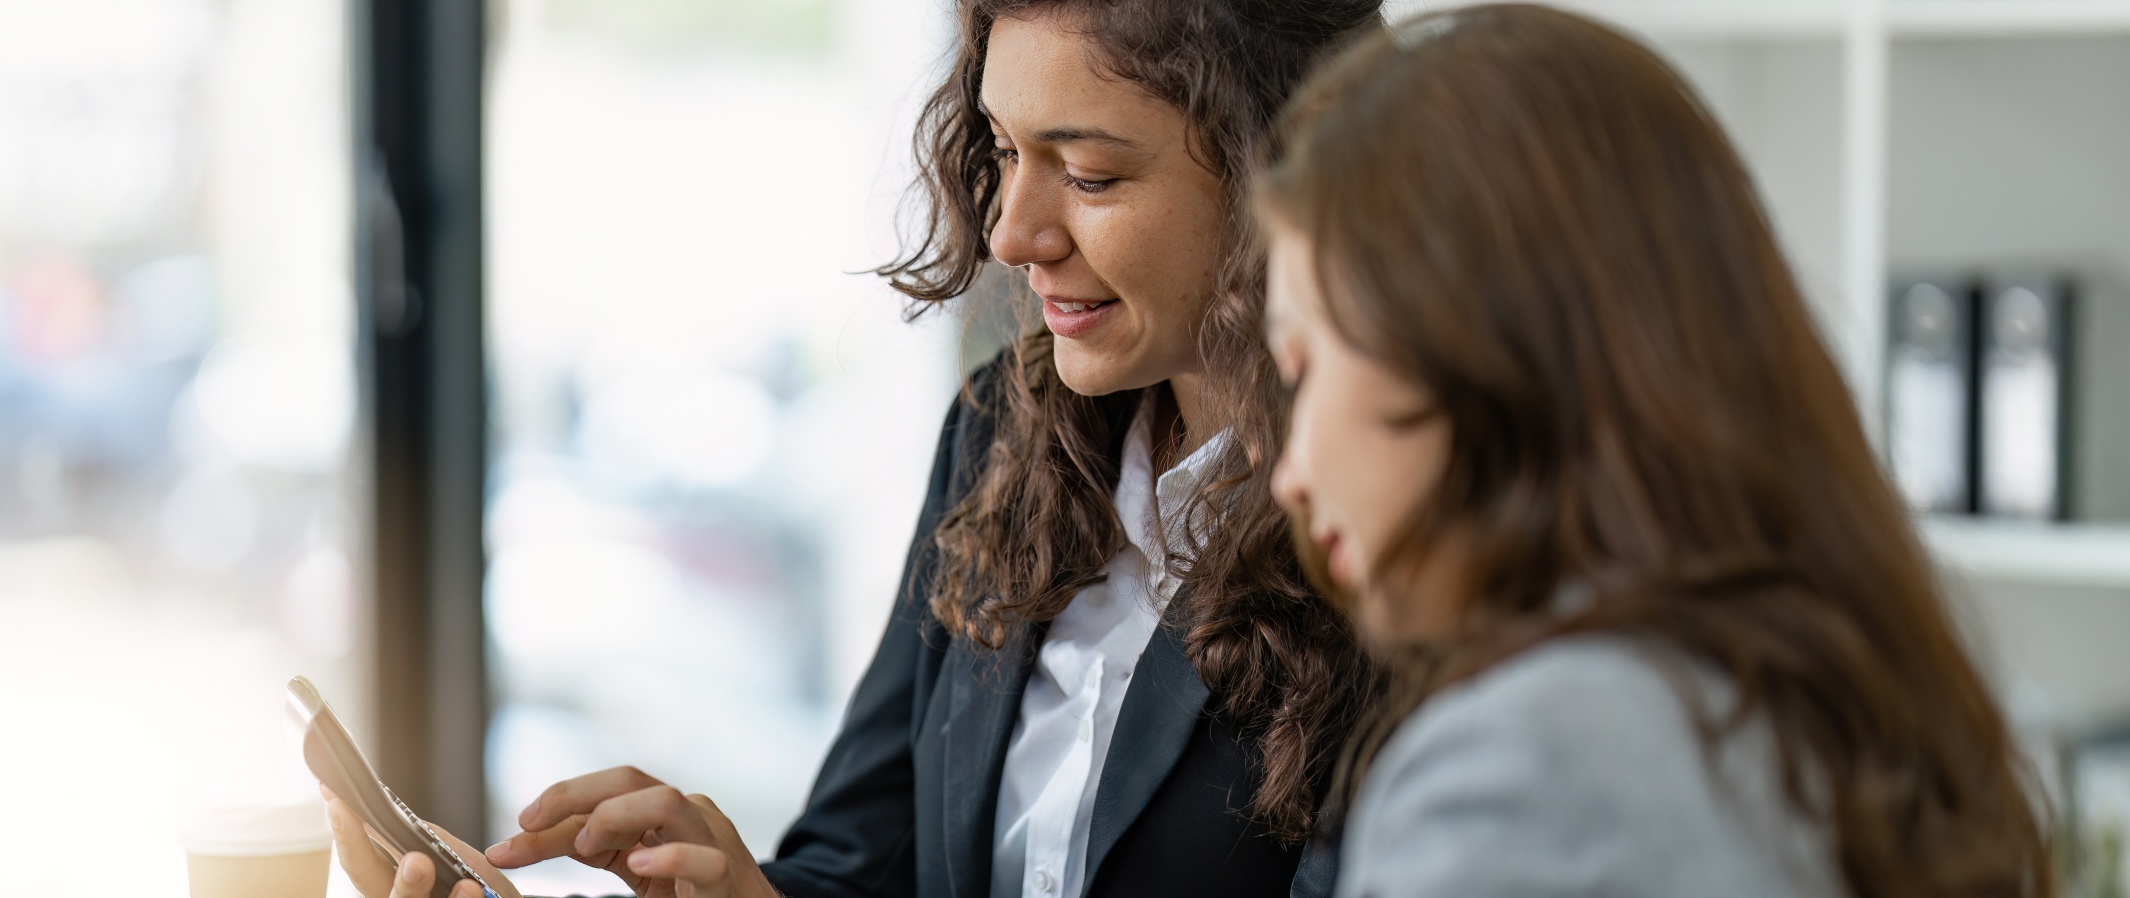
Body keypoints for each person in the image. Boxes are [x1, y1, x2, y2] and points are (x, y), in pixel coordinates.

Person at [326, 1, 1386, 897]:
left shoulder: (1391, 519)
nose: (1013, 232)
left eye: (1092, 175)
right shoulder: (1000, 435)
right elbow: (862, 859)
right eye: (1006, 153)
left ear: (1281, 171)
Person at [1253, 6, 2054, 897]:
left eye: (1303, 364)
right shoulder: (1840, 709)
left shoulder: (1523, 774)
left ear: (1479, 349)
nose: (1290, 473)